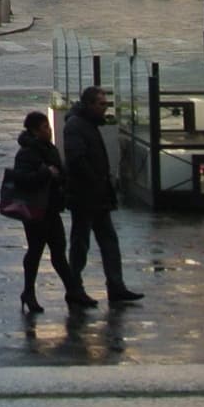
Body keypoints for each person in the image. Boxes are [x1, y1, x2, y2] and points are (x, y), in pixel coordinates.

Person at [63, 86, 142, 303]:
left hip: (97, 194)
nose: (105, 108)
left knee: (108, 241)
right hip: (85, 195)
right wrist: (95, 181)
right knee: (81, 243)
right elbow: (76, 160)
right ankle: (75, 288)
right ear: (89, 104)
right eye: (101, 104)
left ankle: (116, 286)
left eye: (106, 104)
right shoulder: (76, 126)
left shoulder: (87, 123)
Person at [10, 110, 94, 314]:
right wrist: (46, 172)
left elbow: (59, 173)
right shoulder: (27, 153)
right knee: (36, 251)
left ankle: (72, 290)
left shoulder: (49, 148)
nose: (49, 130)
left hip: (51, 208)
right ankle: (30, 292)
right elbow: (22, 179)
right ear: (35, 131)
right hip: (36, 210)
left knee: (58, 252)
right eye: (45, 127)